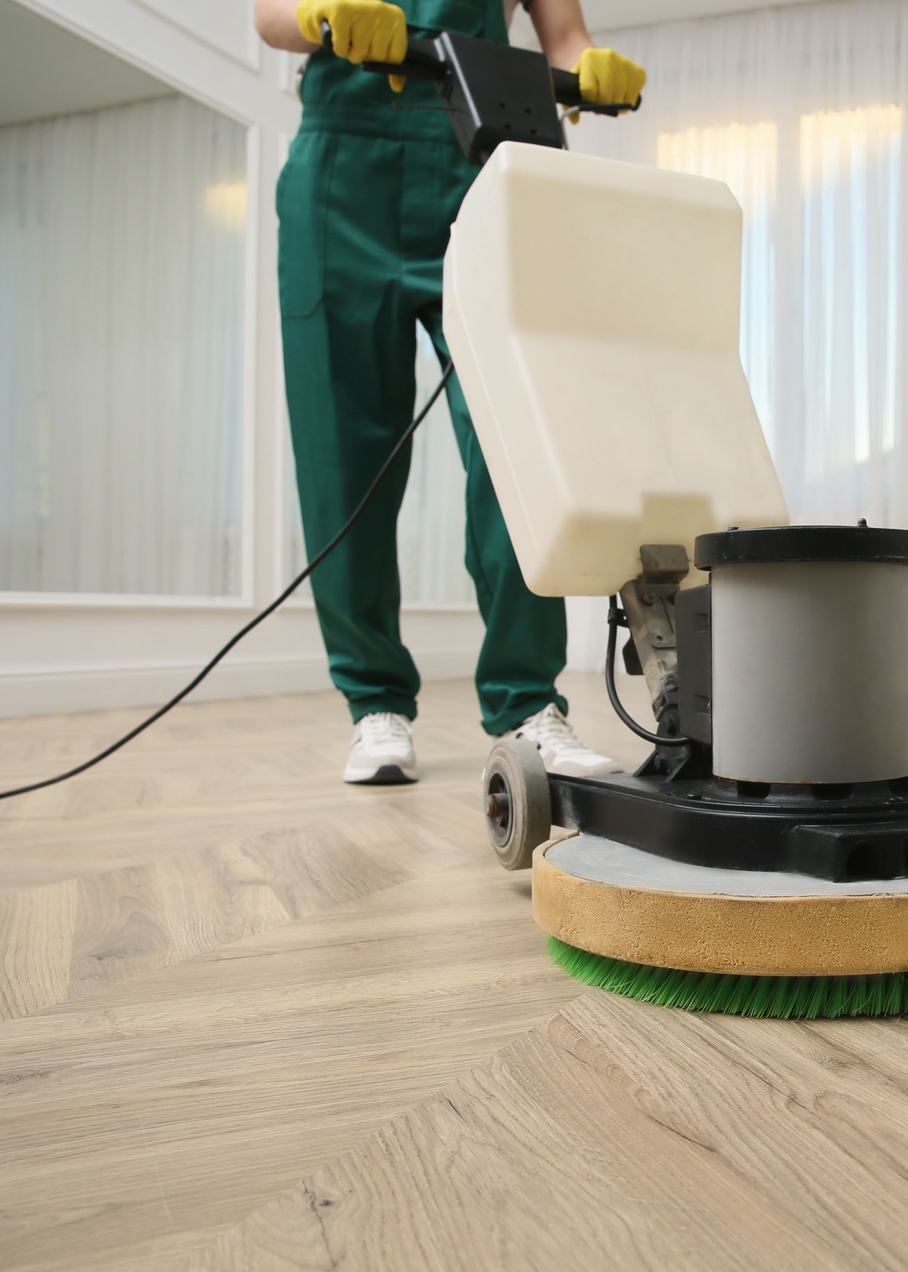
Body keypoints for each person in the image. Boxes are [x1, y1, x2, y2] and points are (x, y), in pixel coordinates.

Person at [254, 0, 644, 784]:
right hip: (342, 171)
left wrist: (590, 64)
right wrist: (320, 15)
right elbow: (270, 16)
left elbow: (564, 34)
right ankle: (373, 704)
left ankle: (528, 702)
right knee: (344, 453)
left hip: (480, 157)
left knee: (510, 450)